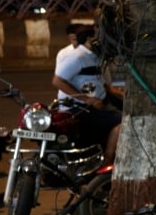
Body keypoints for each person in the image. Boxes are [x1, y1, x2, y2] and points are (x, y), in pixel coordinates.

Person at [51, 25, 121, 165]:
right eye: (100, 38)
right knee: (122, 123)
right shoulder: (77, 57)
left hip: (95, 107)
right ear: (90, 39)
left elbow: (100, 83)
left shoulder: (93, 57)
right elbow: (57, 81)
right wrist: (88, 99)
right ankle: (108, 161)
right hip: (80, 109)